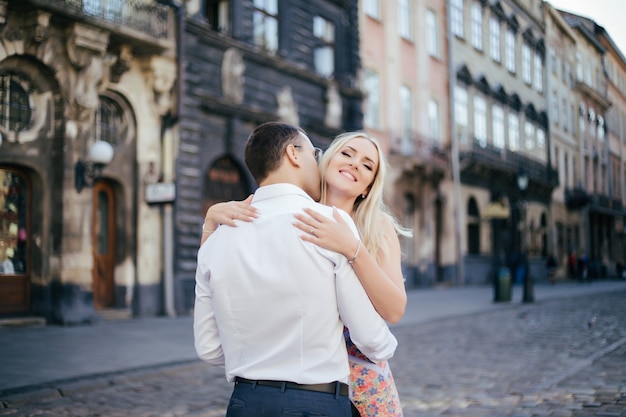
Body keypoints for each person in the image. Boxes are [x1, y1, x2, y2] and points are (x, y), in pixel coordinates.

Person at [194, 122, 398, 417]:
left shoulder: (217, 237)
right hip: (314, 402)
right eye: (315, 154)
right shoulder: (328, 224)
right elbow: (371, 339)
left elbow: (209, 348)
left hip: (246, 403)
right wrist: (384, 348)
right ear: (294, 155)